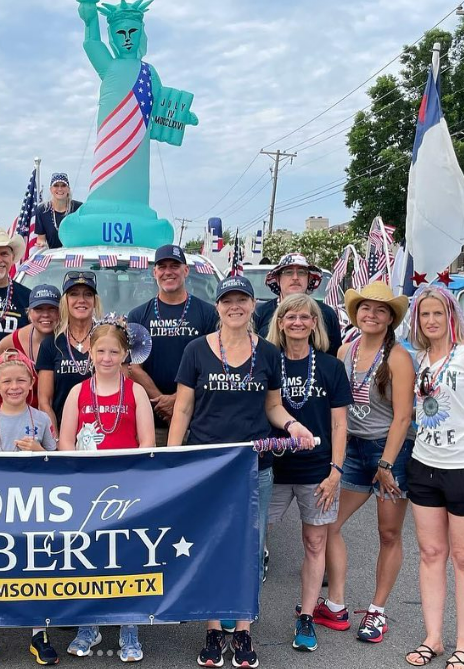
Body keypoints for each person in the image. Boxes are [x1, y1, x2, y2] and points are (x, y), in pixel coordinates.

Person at [168, 276, 314, 669]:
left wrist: (292, 426)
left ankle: (245, 630)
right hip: (207, 467)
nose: (235, 307)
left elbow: (273, 408)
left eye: (242, 300)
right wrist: (170, 459)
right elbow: (182, 409)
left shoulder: (266, 353)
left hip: (254, 466)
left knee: (250, 548)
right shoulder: (196, 350)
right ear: (218, 307)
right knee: (211, 545)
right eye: (228, 300)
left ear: (252, 306)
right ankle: (215, 629)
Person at [404, 285, 464, 669]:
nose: (431, 321)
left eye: (437, 314)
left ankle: (463, 644)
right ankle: (433, 638)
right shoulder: (421, 359)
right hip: (425, 466)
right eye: (424, 315)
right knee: (430, 554)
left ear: (451, 316)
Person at [321, 282, 415, 644]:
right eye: (365, 309)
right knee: (328, 522)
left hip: (388, 452)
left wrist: (387, 464)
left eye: (380, 310)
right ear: (355, 313)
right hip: (352, 449)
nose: (371, 315)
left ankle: (377, 611)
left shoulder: (398, 357)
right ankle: (337, 603)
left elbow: (404, 417)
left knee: (388, 533)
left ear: (390, 318)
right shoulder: (346, 349)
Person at [58, 317, 154, 662]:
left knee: (128, 559)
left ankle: (129, 625)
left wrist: (133, 479)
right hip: (87, 489)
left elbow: (147, 442)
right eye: (101, 350)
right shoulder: (78, 391)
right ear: (90, 351)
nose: (107, 357)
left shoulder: (136, 391)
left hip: (126, 490)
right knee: (89, 557)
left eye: (115, 351)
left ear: (126, 353)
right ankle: (90, 623)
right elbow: (66, 442)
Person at [265, 294, 352, 653]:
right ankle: (241, 608)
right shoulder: (269, 362)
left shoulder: (331, 367)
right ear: (280, 323)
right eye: (290, 317)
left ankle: (306, 615)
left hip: (317, 471)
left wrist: (336, 471)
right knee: (254, 537)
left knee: (315, 543)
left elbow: (340, 424)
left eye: (305, 316)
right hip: (274, 467)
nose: (297, 322)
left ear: (315, 323)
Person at [0, 350, 58, 666]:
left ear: (33, 382)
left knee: (35, 565)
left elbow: (57, 462)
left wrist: (40, 450)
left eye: (21, 379)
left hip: (35, 505)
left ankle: (39, 631)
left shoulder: (42, 420)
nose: (14, 386)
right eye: (7, 380)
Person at [128, 244, 217, 444]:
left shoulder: (208, 314)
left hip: (197, 422)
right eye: (162, 267)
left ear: (186, 270)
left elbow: (213, 365)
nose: (168, 272)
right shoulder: (138, 315)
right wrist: (163, 402)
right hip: (150, 423)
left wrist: (178, 399)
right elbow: (133, 367)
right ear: (155, 272)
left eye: (174, 266)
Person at [37, 271, 102, 438]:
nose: (81, 300)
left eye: (88, 294)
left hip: (102, 435)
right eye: (74, 294)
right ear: (65, 301)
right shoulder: (51, 344)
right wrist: (57, 439)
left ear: (95, 301)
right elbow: (45, 401)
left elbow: (122, 392)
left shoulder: (108, 339)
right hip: (63, 436)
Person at [0, 284, 62, 408]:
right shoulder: (15, 340)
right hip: (24, 421)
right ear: (29, 313)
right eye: (39, 309)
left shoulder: (69, 341)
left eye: (52, 309)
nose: (45, 314)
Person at [254, 253, 342, 355]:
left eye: (301, 272)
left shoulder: (327, 314)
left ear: (309, 279)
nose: (295, 277)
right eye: (288, 272)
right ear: (277, 279)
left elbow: (335, 357)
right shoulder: (260, 313)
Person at [33, 173, 83, 250]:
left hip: (76, 255)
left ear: (68, 189)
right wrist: (42, 245)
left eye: (63, 185)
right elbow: (41, 239)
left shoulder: (79, 208)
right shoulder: (42, 210)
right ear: (51, 189)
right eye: (56, 185)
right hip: (54, 257)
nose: (60, 189)